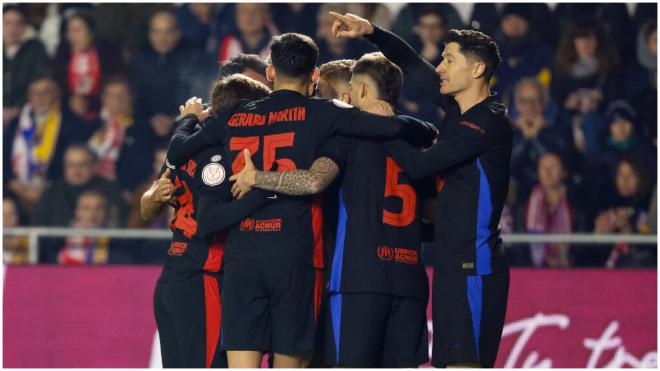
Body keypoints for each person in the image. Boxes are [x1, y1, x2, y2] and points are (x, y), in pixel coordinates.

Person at [167, 32, 436, 368]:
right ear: (314, 77)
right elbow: (409, 130)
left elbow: (178, 153)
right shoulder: (326, 112)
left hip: (243, 258)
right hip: (297, 258)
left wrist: (187, 119)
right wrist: (403, 120)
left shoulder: (234, 116)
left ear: (269, 73)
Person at [329, 11, 512, 367]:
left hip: (474, 265)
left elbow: (416, 165)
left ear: (476, 70)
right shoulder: (459, 112)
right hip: (448, 263)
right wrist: (371, 31)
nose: (439, 67)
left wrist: (384, 126)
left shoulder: (487, 121)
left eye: (448, 59)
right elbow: (412, 64)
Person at [142, 74, 275, 368]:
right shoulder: (217, 157)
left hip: (174, 276)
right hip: (202, 280)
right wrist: (264, 195)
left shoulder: (184, 148)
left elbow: (159, 189)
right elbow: (208, 220)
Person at [4, 77, 86, 215]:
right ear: (29, 96)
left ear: (56, 94)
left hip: (55, 190)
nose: (40, 98)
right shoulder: (16, 123)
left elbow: (71, 160)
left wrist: (48, 187)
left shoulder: (71, 123)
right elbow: (4, 157)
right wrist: (13, 182)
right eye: (35, 93)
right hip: (16, 191)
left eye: (46, 92)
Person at [54, 9, 124, 120]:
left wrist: (89, 103)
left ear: (91, 33)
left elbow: (114, 87)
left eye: (77, 31)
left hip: (103, 113)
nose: (71, 36)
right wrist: (70, 100)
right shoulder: (62, 55)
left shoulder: (108, 54)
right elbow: (57, 87)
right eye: (69, 31)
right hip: (68, 115)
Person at [3, 5, 51, 126]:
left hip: (26, 113)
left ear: (24, 28)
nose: (12, 29)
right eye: (7, 23)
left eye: (18, 24)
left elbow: (41, 81)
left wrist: (18, 109)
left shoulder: (35, 50)